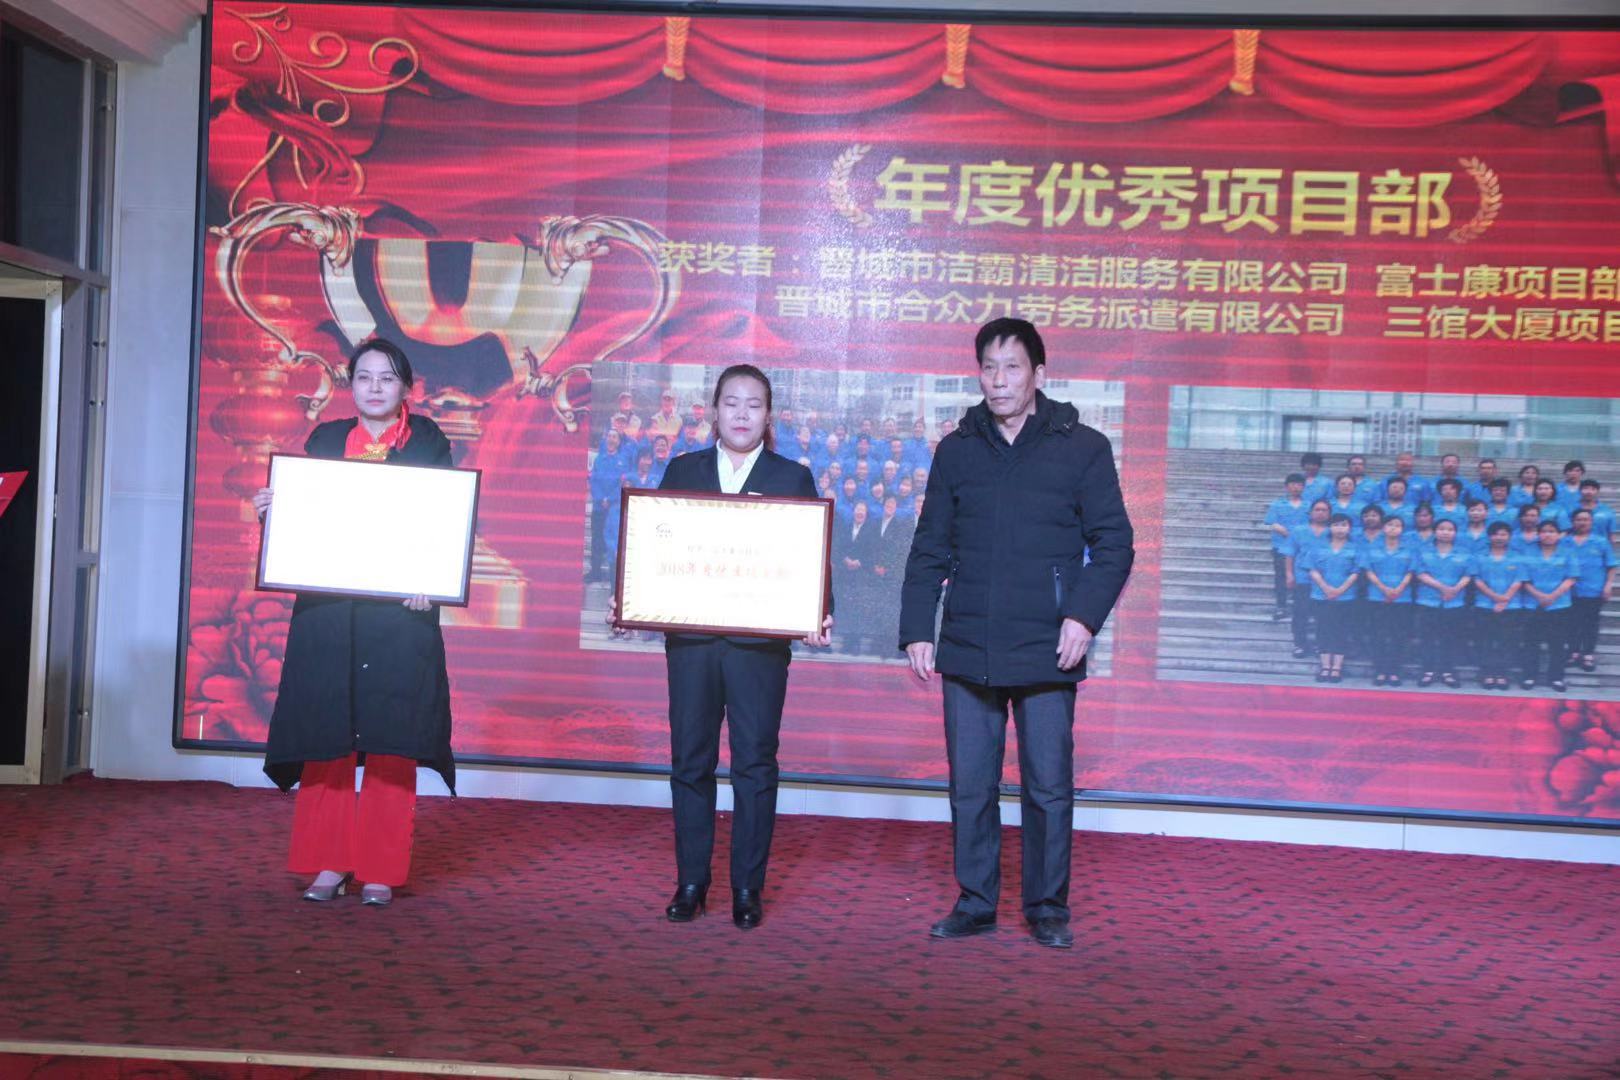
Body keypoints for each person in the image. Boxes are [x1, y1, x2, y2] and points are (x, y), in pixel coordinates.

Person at [898, 318, 1133, 950]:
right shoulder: (957, 450)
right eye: (988, 368)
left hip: (1048, 644)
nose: (999, 381)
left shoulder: (1081, 447)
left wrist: (1082, 616)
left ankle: (1047, 906)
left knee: (1048, 787)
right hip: (968, 642)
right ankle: (975, 902)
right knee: (970, 786)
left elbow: (1115, 543)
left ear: (1038, 374)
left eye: (1012, 367)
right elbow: (929, 546)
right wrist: (918, 627)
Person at [253, 338, 456, 907]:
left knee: (392, 739)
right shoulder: (324, 440)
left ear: (406, 387)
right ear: (350, 384)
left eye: (387, 378)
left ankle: (380, 869)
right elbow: (306, 523)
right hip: (329, 613)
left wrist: (432, 581)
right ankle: (329, 862)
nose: (374, 387)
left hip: (398, 618)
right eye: (364, 377)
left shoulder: (428, 442)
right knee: (326, 735)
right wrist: (273, 513)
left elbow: (443, 523)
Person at [652, 364, 833, 930]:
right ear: (714, 410)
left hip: (759, 648)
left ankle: (747, 888)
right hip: (692, 643)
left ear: (769, 415)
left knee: (754, 764)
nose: (741, 414)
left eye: (754, 405)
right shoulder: (683, 469)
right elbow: (656, 546)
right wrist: (631, 597)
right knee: (691, 760)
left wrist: (817, 608)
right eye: (731, 402)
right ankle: (691, 882)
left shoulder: (792, 477)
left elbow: (812, 554)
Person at [1414, 518, 1472, 688]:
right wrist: (1442, 588)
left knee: (1450, 638)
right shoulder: (1423, 550)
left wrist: (1455, 589)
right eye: (1441, 529)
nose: (1445, 532)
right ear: (1435, 531)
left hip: (1454, 601)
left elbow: (1468, 574)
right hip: (1428, 600)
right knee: (1427, 638)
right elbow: (1420, 573)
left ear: (1455, 533)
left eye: (1450, 529)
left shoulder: (1464, 552)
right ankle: (1427, 671)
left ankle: (1448, 671)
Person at [1520, 521, 1578, 691]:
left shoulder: (1568, 553)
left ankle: (1556, 678)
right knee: (1531, 642)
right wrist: (1540, 596)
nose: (1547, 534)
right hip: (1532, 604)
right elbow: (1524, 579)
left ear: (1559, 534)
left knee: (1557, 643)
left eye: (1552, 531)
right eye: (1544, 531)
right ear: (1538, 534)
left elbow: (1571, 578)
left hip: (1559, 605)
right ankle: (1529, 676)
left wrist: (1552, 596)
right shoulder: (1528, 553)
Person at [1359, 513, 1415, 686]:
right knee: (1378, 634)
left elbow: (1411, 571)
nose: (1393, 528)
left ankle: (1394, 670)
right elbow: (1369, 571)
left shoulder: (1410, 549)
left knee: (1399, 635)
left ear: (1402, 529)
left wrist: (1399, 589)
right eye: (1390, 525)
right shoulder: (1372, 548)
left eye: (1397, 525)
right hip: (1377, 596)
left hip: (1402, 597)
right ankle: (1380, 670)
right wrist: (1383, 588)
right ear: (1383, 528)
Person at [1303, 513, 1360, 683]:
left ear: (1349, 528)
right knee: (1323, 630)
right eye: (1336, 525)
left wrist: (1341, 590)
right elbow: (1312, 569)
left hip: (1346, 597)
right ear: (1330, 527)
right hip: (1321, 596)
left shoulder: (1355, 548)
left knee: (1341, 630)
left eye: (1344, 525)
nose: (1340, 529)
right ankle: (1325, 666)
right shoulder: (1318, 546)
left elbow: (1356, 572)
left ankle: (1337, 668)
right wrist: (1326, 588)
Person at [1471, 522, 1526, 691]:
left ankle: (1502, 674)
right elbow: (1477, 579)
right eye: (1495, 534)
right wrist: (1495, 597)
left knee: (1507, 641)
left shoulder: (1517, 556)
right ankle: (1486, 673)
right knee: (1485, 640)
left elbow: (1519, 579)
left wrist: (1505, 599)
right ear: (1489, 536)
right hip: (1484, 604)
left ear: (1509, 537)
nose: (1499, 537)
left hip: (1511, 605)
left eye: (1503, 534)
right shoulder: (1479, 556)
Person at [1565, 508, 1616, 674]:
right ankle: (1573, 652)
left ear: (1591, 522)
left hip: (1594, 590)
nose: (1582, 522)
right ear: (1573, 522)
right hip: (1569, 591)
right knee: (1571, 623)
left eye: (1586, 519)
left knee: (1590, 623)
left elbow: (1611, 566)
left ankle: (1588, 654)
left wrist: (1608, 586)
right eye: (1578, 519)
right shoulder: (1565, 541)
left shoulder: (1601, 542)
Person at [1284, 500, 1331, 660]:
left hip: (1325, 581)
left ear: (1329, 513)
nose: (1320, 513)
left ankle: (1321, 644)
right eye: (1317, 510)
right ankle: (1300, 644)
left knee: (1323, 615)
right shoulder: (1299, 531)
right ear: (1310, 512)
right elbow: (1290, 553)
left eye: (1324, 510)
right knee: (1300, 613)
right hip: (1302, 578)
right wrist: (1289, 574)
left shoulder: (1333, 532)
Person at [1264, 473, 1309, 620]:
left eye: (1299, 485)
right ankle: (1281, 606)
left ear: (1304, 487)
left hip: (1302, 548)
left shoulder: (1309, 505)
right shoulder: (1277, 504)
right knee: (1281, 577)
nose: (1296, 487)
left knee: (1302, 577)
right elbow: (1272, 522)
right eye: (1293, 484)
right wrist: (1283, 530)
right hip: (1281, 546)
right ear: (1286, 486)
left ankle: (1300, 607)